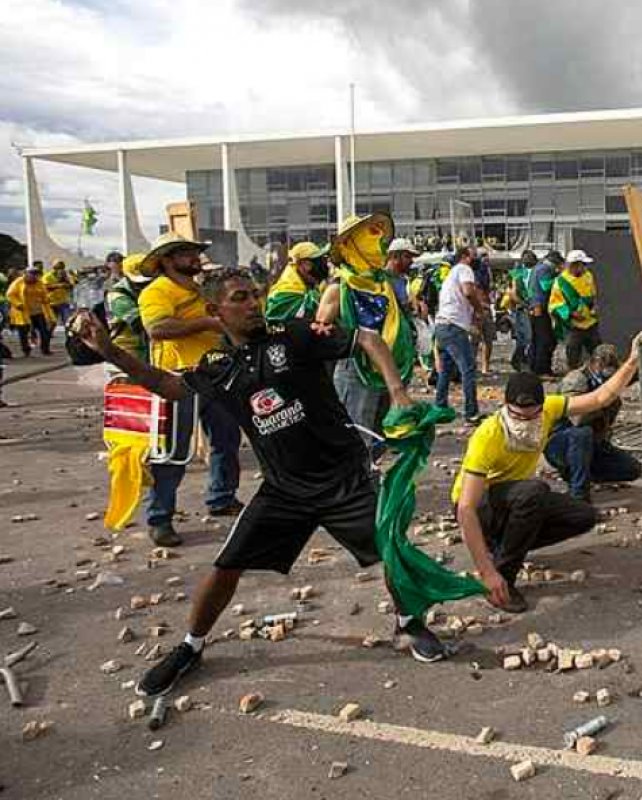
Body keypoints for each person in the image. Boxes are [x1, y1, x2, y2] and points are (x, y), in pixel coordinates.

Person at [72, 268, 450, 698]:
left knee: (392, 551)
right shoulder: (219, 366)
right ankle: (191, 647)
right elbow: (166, 385)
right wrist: (108, 350)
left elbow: (366, 337)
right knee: (225, 566)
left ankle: (408, 623)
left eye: (254, 294)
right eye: (240, 297)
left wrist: (398, 391)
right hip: (284, 490)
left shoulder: (292, 333)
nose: (253, 302)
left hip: (344, 478)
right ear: (215, 310)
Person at [453, 351, 641, 613]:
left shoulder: (551, 408)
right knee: (534, 491)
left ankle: (504, 546)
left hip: (513, 498)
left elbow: (600, 398)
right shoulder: (488, 435)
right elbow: (465, 508)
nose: (525, 423)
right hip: (479, 508)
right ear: (506, 407)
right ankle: (502, 578)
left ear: (542, 408)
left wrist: (632, 360)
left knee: (583, 515)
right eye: (518, 416)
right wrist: (486, 572)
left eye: (532, 416)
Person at [138, 233, 243, 546]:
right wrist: (207, 324)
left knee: (226, 439)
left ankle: (221, 497)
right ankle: (160, 518)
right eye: (187, 253)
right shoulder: (157, 291)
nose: (195, 257)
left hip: (214, 373)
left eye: (196, 252)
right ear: (168, 260)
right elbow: (157, 329)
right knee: (173, 452)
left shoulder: (199, 289)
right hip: (177, 380)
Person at [319, 215, 419, 453]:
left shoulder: (383, 283)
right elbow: (321, 331)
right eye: (368, 239)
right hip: (356, 370)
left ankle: (367, 475)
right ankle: (358, 482)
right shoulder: (338, 287)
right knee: (357, 437)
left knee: (383, 433)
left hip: (389, 369)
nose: (377, 245)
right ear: (351, 246)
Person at [543, 345, 642, 502]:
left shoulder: (608, 385)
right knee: (582, 433)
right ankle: (579, 494)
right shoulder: (576, 380)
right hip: (561, 442)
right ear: (595, 364)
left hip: (592, 444)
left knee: (632, 469)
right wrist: (602, 400)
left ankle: (580, 473)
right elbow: (578, 419)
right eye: (605, 366)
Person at [434, 246, 485, 423]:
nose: (477, 259)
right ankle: (471, 413)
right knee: (468, 369)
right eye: (474, 255)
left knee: (446, 371)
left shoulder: (451, 273)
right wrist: (479, 310)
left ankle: (440, 407)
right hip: (453, 326)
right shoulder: (464, 269)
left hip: (442, 326)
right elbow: (468, 292)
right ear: (464, 257)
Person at [549, 249, 601, 370]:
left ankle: (599, 375)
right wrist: (572, 314)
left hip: (591, 323)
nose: (585, 267)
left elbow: (592, 295)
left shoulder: (588, 276)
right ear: (574, 265)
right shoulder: (561, 282)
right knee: (573, 353)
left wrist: (594, 307)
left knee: (597, 351)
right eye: (583, 265)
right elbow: (555, 305)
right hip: (574, 326)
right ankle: (573, 377)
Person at [104, 253, 156, 371]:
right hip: (127, 355)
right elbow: (140, 324)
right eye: (139, 283)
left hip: (147, 353)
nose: (144, 285)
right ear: (126, 276)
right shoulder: (117, 295)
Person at [264, 242, 330, 323]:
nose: (318, 267)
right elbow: (304, 314)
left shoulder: (309, 285)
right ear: (299, 264)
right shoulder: (284, 291)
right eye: (312, 263)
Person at [528, 250, 562, 377]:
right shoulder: (544, 269)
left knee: (537, 339)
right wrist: (558, 277)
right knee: (545, 340)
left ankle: (535, 367)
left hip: (535, 307)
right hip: (540, 308)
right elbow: (546, 286)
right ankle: (542, 369)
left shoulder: (537, 268)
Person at [7, 265, 54, 356]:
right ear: (26, 274)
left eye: (36, 274)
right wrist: (17, 304)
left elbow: (44, 294)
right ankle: (26, 350)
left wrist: (46, 299)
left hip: (37, 311)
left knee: (44, 331)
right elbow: (10, 295)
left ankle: (45, 349)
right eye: (32, 274)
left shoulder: (39, 283)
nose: (34, 276)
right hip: (23, 312)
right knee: (23, 332)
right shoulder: (18, 282)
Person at [505, 250, 536, 372]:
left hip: (527, 308)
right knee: (526, 338)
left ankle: (520, 361)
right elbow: (513, 293)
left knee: (524, 338)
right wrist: (525, 304)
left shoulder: (530, 272)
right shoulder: (518, 273)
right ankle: (519, 361)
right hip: (522, 309)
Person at [471, 250, 496, 375]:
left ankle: (484, 366)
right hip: (477, 309)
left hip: (484, 307)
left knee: (487, 338)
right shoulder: (474, 273)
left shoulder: (485, 271)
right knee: (475, 339)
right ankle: (475, 366)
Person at [44, 260, 76, 328]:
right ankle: (47, 336)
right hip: (51, 303)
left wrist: (66, 281)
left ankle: (69, 337)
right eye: (58, 268)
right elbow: (45, 287)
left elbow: (71, 285)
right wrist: (59, 285)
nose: (60, 269)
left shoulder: (65, 276)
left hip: (63, 302)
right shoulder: (47, 276)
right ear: (54, 268)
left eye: (62, 268)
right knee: (52, 323)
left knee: (68, 322)